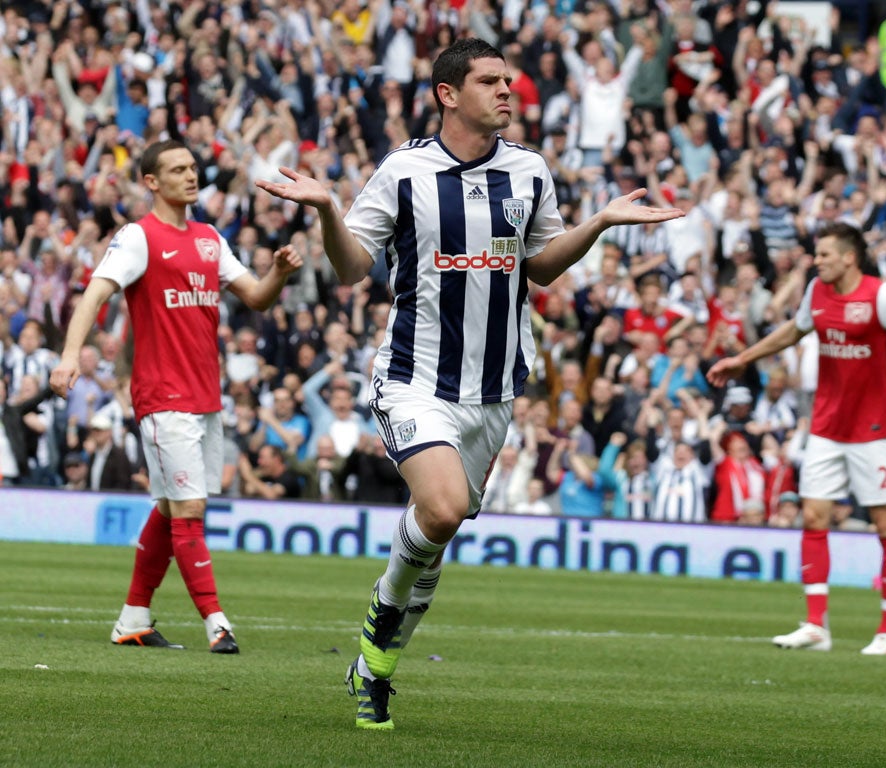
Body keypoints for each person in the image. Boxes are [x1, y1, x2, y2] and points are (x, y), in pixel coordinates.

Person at [255, 38, 683, 729]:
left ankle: (375, 666)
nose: (508, 91)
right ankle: (376, 627)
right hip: (413, 380)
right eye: (491, 81)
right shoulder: (404, 171)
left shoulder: (530, 171)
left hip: (493, 392)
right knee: (445, 507)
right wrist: (330, 211)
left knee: (435, 535)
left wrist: (598, 224)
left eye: (508, 81)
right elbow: (349, 269)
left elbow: (541, 265)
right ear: (449, 94)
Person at [50, 139, 303, 654]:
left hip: (205, 396)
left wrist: (278, 271)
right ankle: (217, 623)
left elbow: (255, 296)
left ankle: (132, 619)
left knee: (170, 509)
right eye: (176, 169)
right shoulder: (139, 238)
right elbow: (95, 293)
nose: (190, 176)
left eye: (192, 167)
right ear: (150, 182)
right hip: (162, 396)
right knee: (189, 510)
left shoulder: (210, 238)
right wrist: (69, 355)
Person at [708, 222, 886, 656]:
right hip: (827, 426)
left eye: (825, 254)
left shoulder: (880, 295)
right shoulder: (817, 291)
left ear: (849, 257)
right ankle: (815, 626)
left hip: (874, 432)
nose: (817, 260)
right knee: (813, 517)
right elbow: (794, 329)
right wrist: (743, 359)